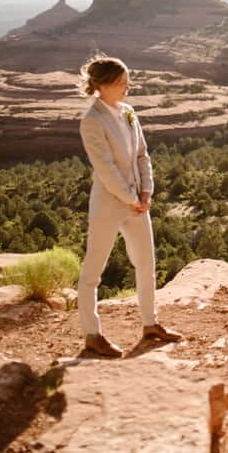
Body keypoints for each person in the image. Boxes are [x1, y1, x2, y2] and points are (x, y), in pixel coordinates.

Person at [76, 55, 182, 357]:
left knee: (146, 264)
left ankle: (151, 324)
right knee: (93, 271)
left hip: (137, 203)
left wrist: (147, 191)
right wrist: (132, 198)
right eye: (122, 83)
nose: (128, 88)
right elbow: (106, 168)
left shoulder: (128, 112)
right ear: (103, 85)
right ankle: (92, 334)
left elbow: (142, 156)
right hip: (109, 205)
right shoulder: (92, 121)